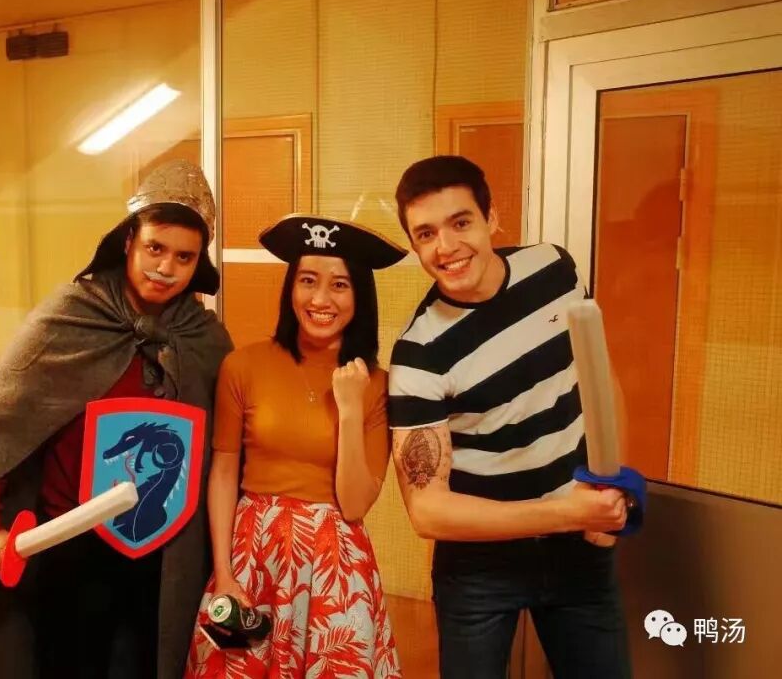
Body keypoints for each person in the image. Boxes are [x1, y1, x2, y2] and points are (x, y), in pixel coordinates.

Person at [0, 160, 232, 679]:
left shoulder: (204, 338)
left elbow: (222, 449)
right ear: (129, 240)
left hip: (165, 555)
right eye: (155, 248)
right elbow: (1, 422)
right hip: (72, 545)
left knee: (153, 666)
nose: (166, 267)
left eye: (184, 256)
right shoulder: (74, 314)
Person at [387, 155, 632, 678]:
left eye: (460, 222)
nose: (446, 247)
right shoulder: (418, 354)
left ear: (491, 217)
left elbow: (600, 380)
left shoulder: (554, 269)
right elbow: (428, 511)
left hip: (579, 552)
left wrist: (611, 491)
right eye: (426, 234)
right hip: (480, 567)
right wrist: (572, 513)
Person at [186, 213, 405, 678]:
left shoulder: (377, 385)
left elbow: (355, 504)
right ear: (291, 289)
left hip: (335, 569)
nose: (320, 299)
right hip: (252, 557)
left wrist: (350, 409)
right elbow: (223, 471)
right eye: (308, 280)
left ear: (360, 297)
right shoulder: (242, 366)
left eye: (339, 285)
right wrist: (224, 572)